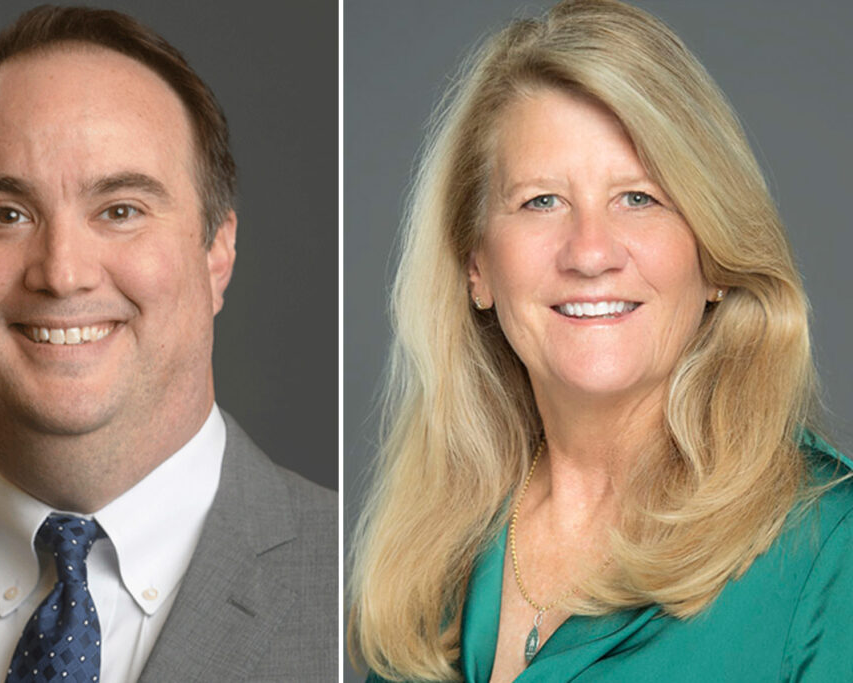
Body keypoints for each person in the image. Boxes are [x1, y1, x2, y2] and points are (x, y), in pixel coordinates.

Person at [347, 0, 853, 681]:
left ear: (714, 255)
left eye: (639, 197)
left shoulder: (830, 546)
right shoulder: (427, 558)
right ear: (476, 265)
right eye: (541, 201)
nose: (590, 252)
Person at [0, 6, 336, 682]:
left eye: (120, 210)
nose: (62, 272)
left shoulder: (361, 587)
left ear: (218, 253)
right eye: (6, 214)